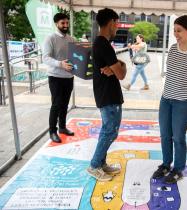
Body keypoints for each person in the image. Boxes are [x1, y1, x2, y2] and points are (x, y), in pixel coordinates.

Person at [151, 15, 187, 184]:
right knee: (165, 135)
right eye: (174, 30)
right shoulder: (173, 49)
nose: (176, 34)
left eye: (179, 30)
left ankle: (178, 169)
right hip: (166, 99)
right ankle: (166, 164)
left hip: (184, 103)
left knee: (178, 137)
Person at [86, 8, 127, 182]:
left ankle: (101, 163)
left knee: (109, 130)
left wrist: (118, 65)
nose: (117, 27)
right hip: (108, 95)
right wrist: (119, 66)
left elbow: (118, 69)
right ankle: (94, 165)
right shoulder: (104, 44)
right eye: (116, 23)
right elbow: (122, 74)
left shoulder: (100, 43)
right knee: (109, 131)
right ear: (111, 22)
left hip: (106, 94)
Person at [43, 13, 76, 143]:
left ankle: (62, 127)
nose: (65, 25)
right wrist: (60, 64)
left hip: (69, 77)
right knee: (56, 105)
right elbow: (45, 57)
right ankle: (52, 131)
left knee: (65, 104)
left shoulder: (71, 39)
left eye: (67, 23)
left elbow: (76, 56)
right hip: (55, 77)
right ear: (56, 24)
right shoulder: (50, 38)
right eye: (63, 23)